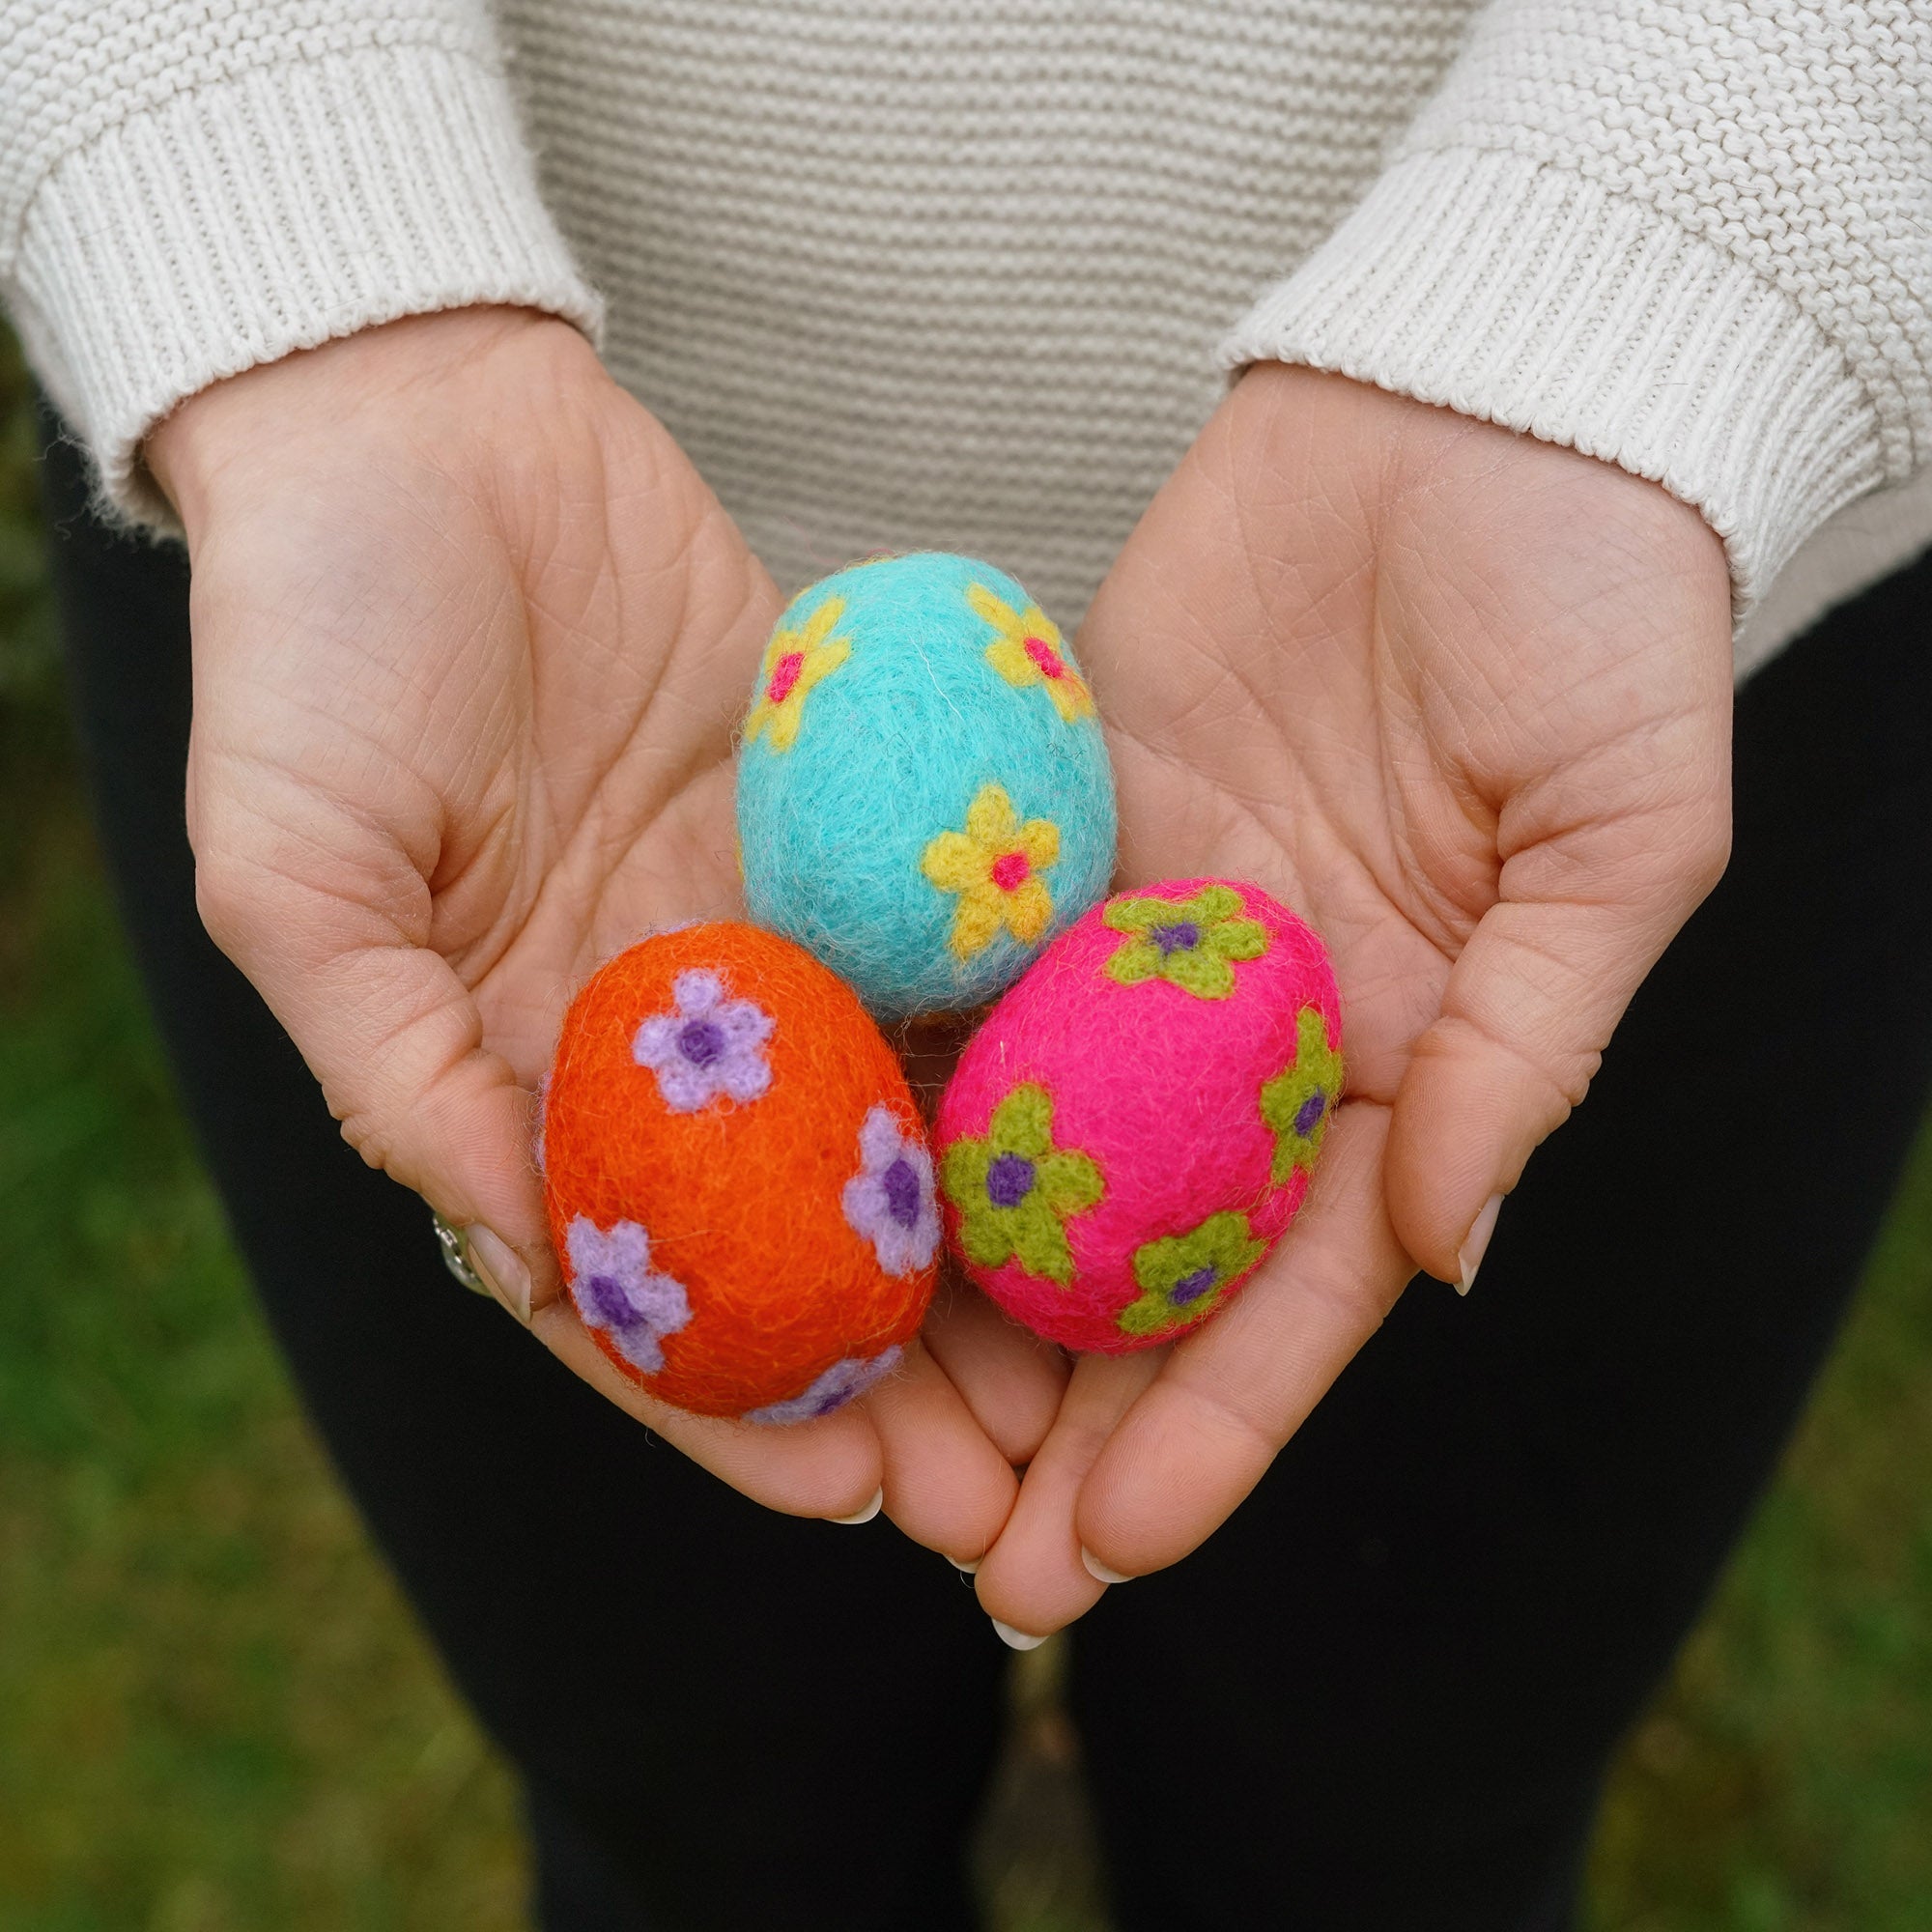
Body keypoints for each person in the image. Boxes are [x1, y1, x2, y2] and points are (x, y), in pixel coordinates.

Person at [10, 3, 1932, 1925]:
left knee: (1396, 1840)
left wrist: (1690, 240)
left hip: (1615, 542)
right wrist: (271, 220)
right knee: (710, 1836)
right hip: (439, 589)